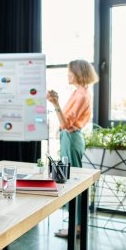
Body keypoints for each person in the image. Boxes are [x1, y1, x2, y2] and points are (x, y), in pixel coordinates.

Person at [46, 59, 99, 237]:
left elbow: (65, 123)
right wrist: (56, 102)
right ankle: (76, 225)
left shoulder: (82, 94)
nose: (68, 74)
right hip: (70, 138)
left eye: (70, 71)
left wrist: (55, 104)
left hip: (71, 137)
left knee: (72, 182)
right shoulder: (79, 92)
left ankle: (76, 227)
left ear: (77, 73)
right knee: (71, 180)